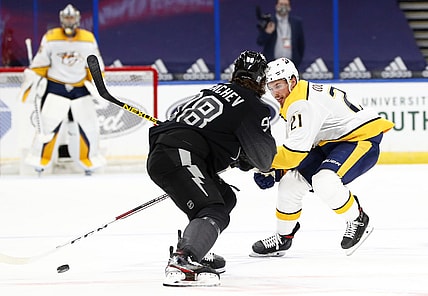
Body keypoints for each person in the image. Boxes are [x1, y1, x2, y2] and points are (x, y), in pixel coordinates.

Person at [146, 50, 277, 286]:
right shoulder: (253, 106)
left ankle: (196, 245)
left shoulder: (214, 90)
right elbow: (264, 159)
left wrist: (235, 155)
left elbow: (193, 125)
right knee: (213, 208)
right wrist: (245, 160)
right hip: (181, 155)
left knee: (225, 198)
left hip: (167, 152)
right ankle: (183, 260)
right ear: (261, 79)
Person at [251, 57, 394, 257]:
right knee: (290, 182)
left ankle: (358, 219)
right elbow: (301, 146)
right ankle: (283, 238)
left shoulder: (301, 104)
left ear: (292, 81)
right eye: (271, 87)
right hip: (332, 142)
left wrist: (263, 165)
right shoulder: (298, 95)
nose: (275, 93)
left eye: (279, 85)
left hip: (362, 139)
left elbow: (293, 154)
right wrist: (275, 170)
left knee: (324, 181)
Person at [18, 4, 105, 175]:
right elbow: (41, 63)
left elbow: (94, 65)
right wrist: (32, 78)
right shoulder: (50, 37)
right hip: (56, 87)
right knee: (48, 126)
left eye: (72, 18)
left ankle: (89, 162)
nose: (69, 21)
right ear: (61, 19)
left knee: (88, 127)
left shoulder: (88, 38)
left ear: (78, 19)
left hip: (80, 88)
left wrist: (98, 84)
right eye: (66, 18)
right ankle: (40, 162)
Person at [256, 0, 305, 67]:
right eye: (281, 4)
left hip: (291, 65)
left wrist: (297, 60)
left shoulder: (296, 23)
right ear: (276, 6)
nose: (283, 7)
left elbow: (301, 44)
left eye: (286, 5)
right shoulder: (270, 21)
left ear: (290, 7)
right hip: (272, 64)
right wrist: (267, 33)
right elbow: (260, 41)